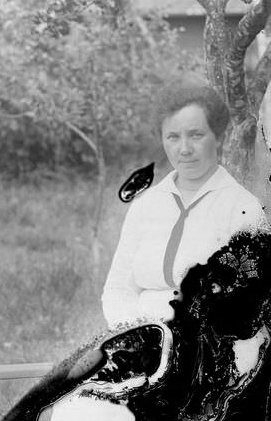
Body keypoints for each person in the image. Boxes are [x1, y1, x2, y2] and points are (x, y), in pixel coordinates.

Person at [100, 81, 265, 327]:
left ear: (218, 137)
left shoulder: (243, 209)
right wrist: (133, 332)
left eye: (196, 135)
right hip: (142, 340)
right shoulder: (146, 205)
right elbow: (118, 287)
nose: (184, 149)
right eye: (173, 137)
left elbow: (253, 298)